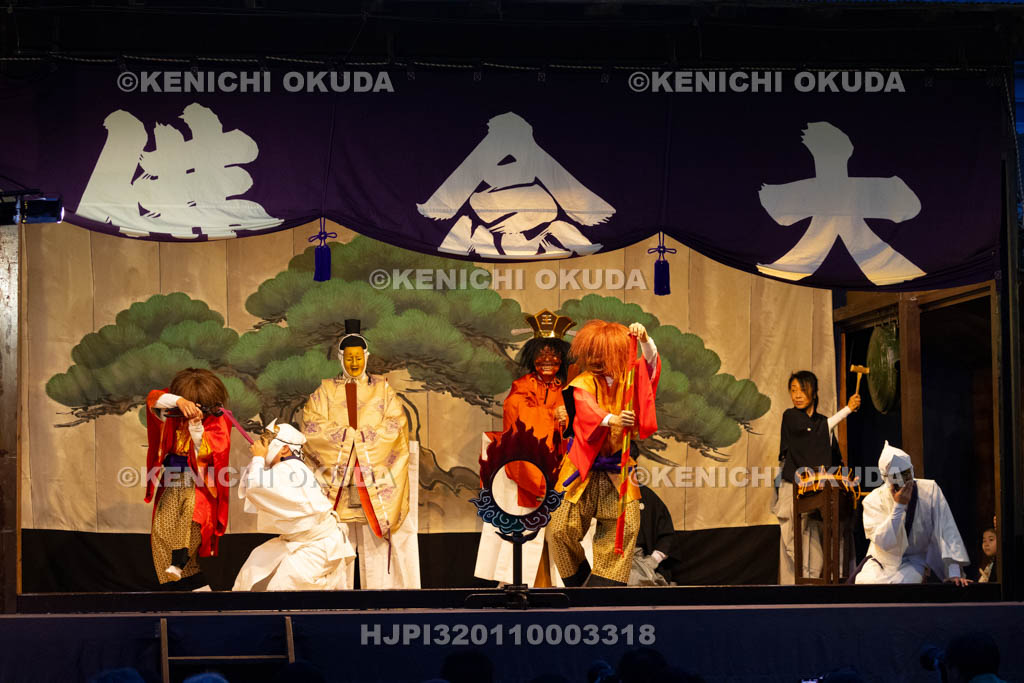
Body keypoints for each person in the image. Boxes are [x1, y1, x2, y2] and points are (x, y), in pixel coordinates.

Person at [300, 319, 418, 589]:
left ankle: (380, 601)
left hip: (371, 477)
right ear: (341, 357)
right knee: (336, 542)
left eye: (358, 357)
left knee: (373, 547)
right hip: (338, 479)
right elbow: (312, 425)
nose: (354, 363)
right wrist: (347, 438)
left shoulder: (383, 389)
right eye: (348, 357)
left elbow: (396, 424)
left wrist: (362, 440)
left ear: (366, 357)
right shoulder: (325, 391)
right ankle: (334, 602)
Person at [547, 320, 660, 587]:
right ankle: (581, 584)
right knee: (561, 528)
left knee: (625, 528)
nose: (596, 360)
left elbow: (651, 369)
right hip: (580, 467)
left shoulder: (630, 377)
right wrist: (613, 420)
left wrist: (645, 340)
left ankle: (604, 589)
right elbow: (586, 410)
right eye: (591, 354)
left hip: (618, 469)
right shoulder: (583, 381)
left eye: (604, 354)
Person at [474, 309, 573, 588]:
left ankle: (559, 580)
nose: (547, 361)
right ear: (532, 358)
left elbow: (578, 425)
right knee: (525, 525)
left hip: (560, 468)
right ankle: (516, 581)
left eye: (554, 356)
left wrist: (569, 418)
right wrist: (553, 416)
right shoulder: (521, 387)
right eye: (541, 355)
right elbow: (517, 415)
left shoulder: (566, 388)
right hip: (524, 471)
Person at [233, 420, 354, 591]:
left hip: (318, 545)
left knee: (282, 589)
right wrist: (259, 459)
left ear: (284, 448)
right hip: (299, 541)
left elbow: (256, 486)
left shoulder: (291, 468)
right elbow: (256, 485)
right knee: (254, 567)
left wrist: (259, 457)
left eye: (268, 443)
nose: (263, 447)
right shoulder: (286, 468)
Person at [145, 368, 233, 591]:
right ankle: (191, 594)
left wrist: (196, 426)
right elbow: (153, 398)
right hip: (172, 478)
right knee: (161, 534)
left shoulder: (219, 420)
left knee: (188, 528)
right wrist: (180, 400)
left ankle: (180, 567)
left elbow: (207, 456)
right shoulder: (174, 408)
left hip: (200, 482)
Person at [773, 370, 860, 584]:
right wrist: (847, 410)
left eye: (803, 389)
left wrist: (845, 480)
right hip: (793, 484)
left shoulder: (823, 422)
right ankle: (799, 587)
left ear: (814, 392)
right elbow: (814, 435)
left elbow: (832, 454)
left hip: (820, 490)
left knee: (828, 537)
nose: (797, 395)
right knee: (795, 538)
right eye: (793, 390)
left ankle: (833, 582)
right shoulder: (791, 417)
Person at [855, 441, 970, 584]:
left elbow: (947, 531)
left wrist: (954, 572)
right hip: (881, 561)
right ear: (886, 479)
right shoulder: (873, 500)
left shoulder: (930, 490)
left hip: (913, 560)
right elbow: (885, 542)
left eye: (907, 474)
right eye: (898, 477)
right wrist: (899, 506)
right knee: (865, 582)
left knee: (905, 585)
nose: (905, 481)